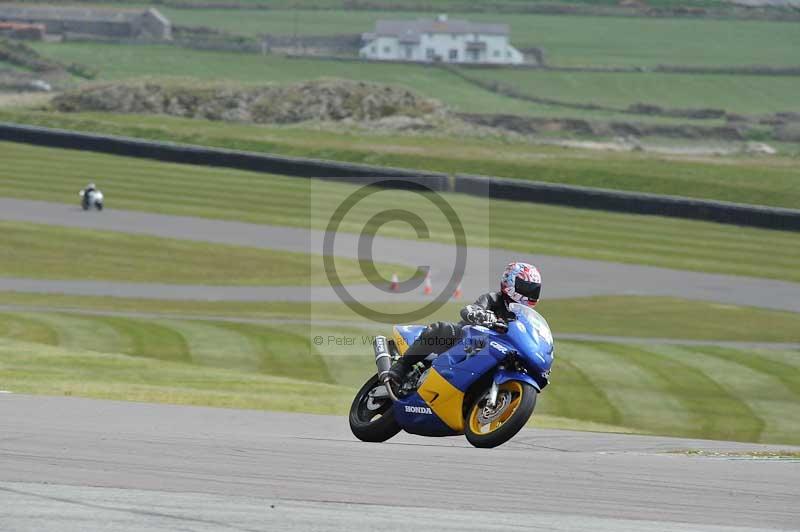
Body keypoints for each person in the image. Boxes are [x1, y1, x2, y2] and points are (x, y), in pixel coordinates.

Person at [385, 261, 542, 384]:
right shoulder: (493, 299)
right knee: (441, 328)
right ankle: (402, 366)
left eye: (533, 289)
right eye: (527, 288)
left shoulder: (523, 316)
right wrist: (480, 315)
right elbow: (470, 309)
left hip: (496, 350)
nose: (530, 294)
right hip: (468, 340)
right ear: (510, 282)